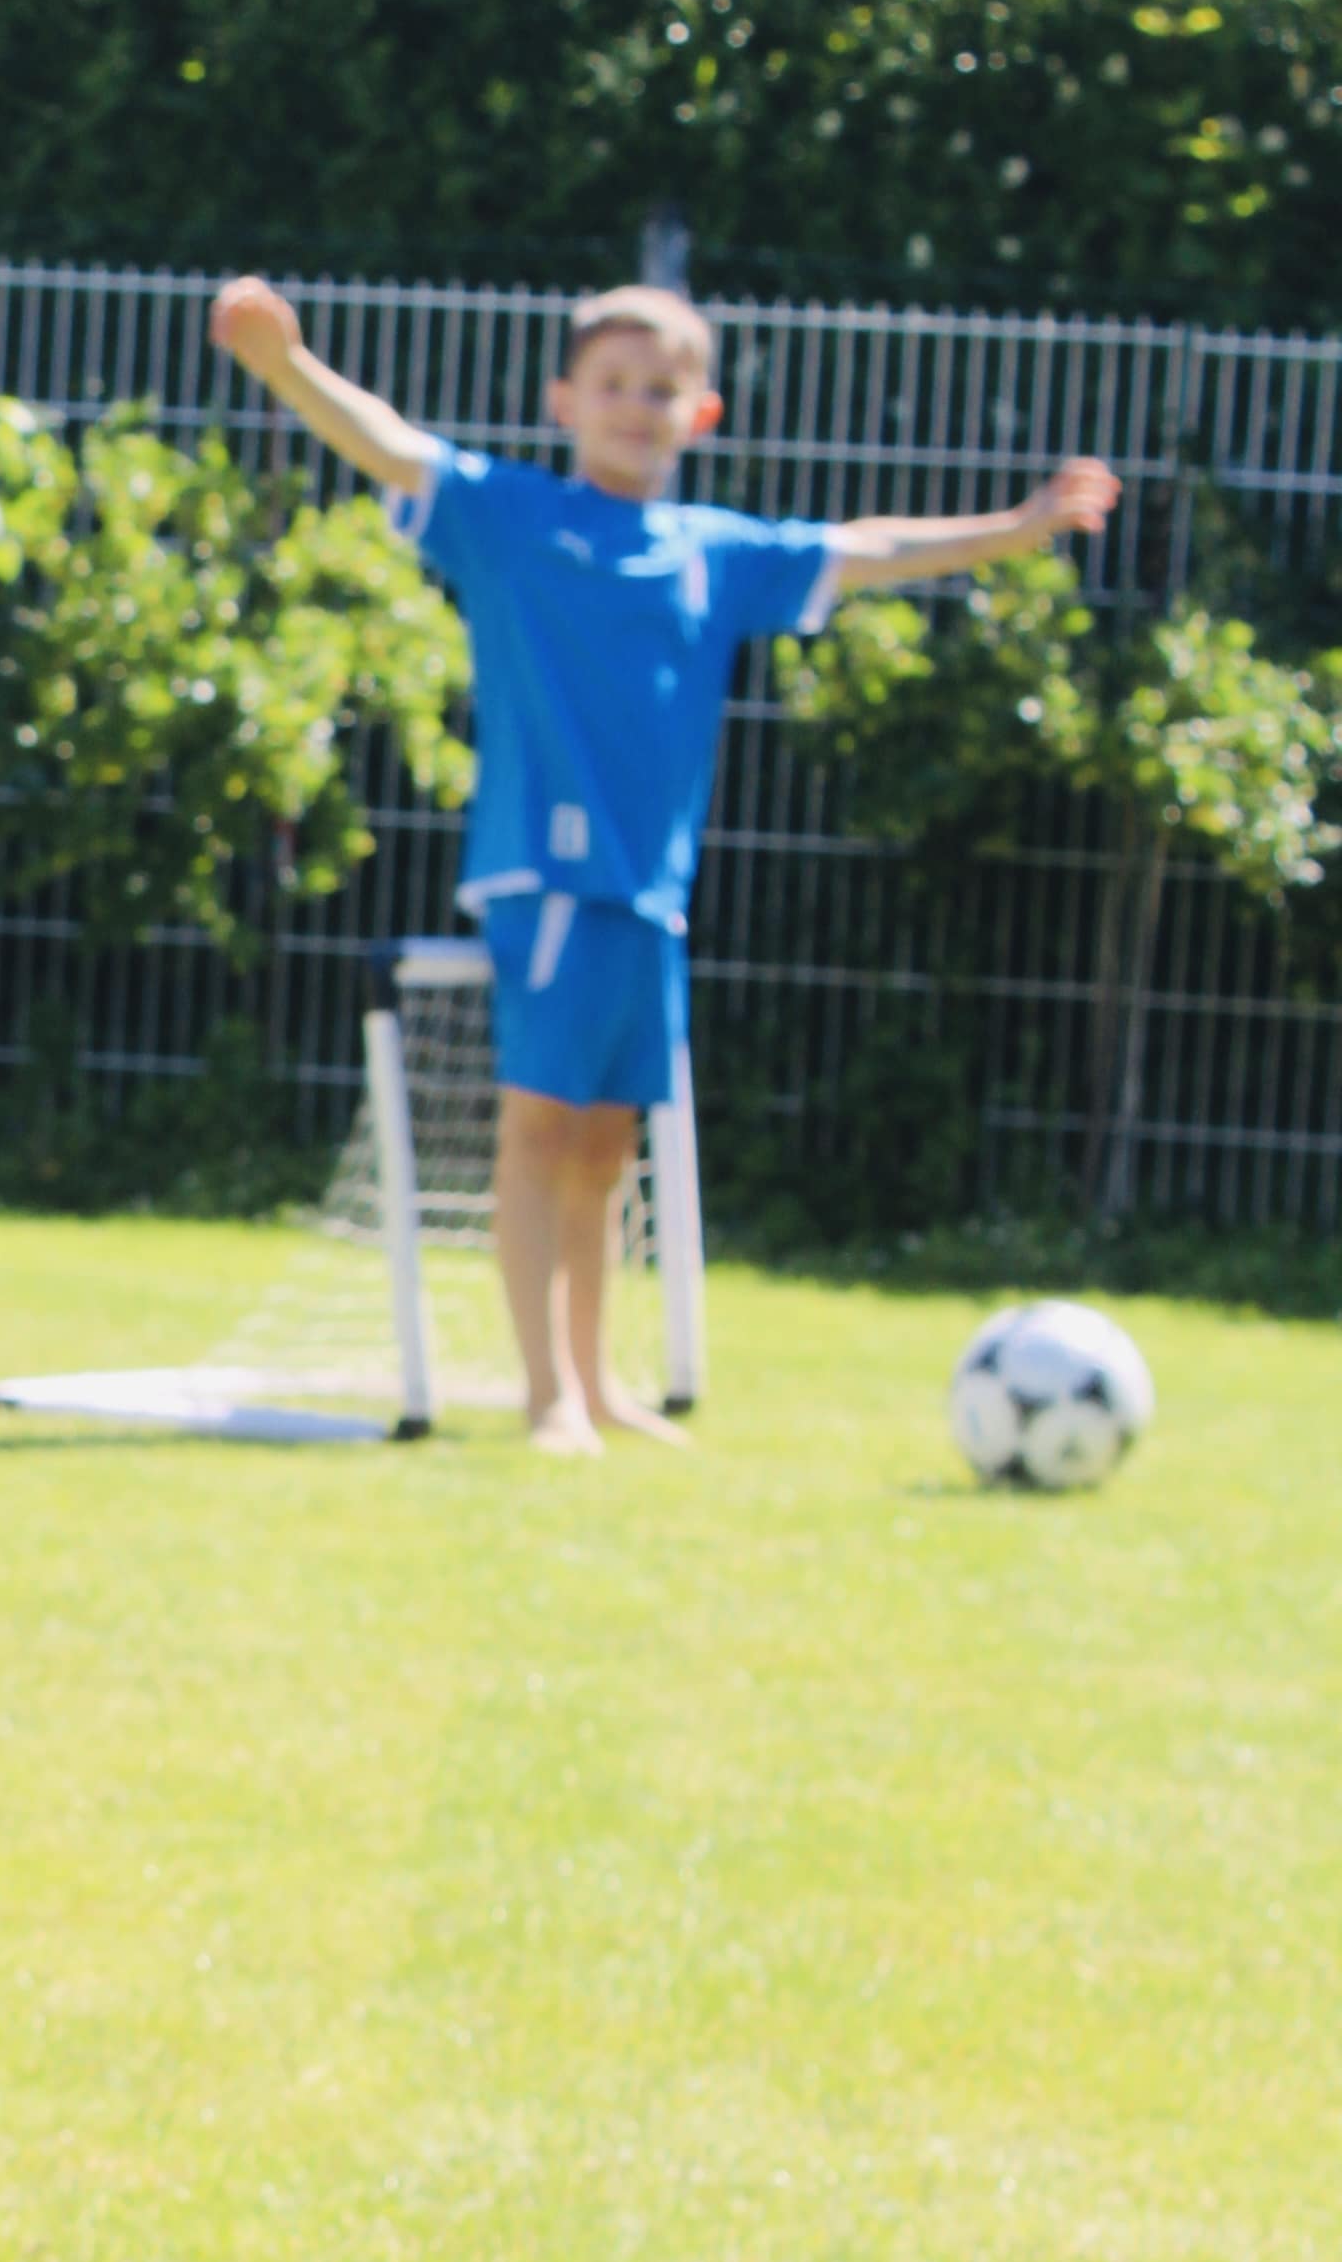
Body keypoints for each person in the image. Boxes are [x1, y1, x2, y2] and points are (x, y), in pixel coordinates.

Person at [209, 272, 1119, 1449]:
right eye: (613, 384)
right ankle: (546, 1399)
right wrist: (285, 366)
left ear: (702, 413)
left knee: (607, 1143)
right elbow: (388, 448)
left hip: (651, 893)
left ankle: (597, 1384)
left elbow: (871, 545)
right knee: (539, 1128)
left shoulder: (714, 554)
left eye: (661, 388)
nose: (636, 406)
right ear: (563, 401)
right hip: (544, 874)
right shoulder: (511, 518)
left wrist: (1021, 526)